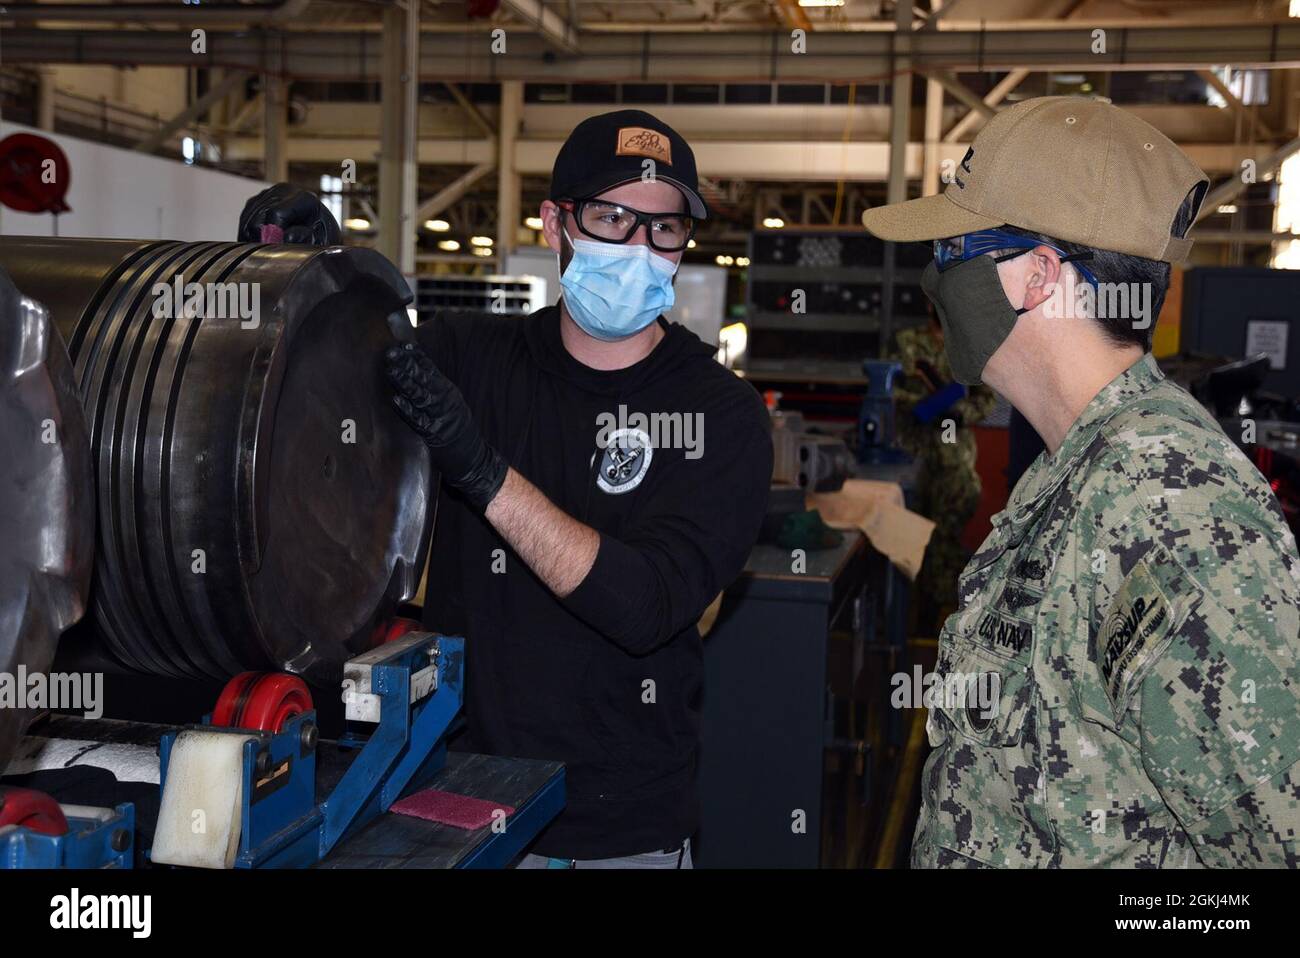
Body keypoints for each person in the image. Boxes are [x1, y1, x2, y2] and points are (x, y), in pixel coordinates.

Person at [242, 109, 773, 867]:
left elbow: (644, 605)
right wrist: (314, 273)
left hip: (615, 833)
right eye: (612, 217)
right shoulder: (467, 357)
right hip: (453, 800)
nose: (639, 248)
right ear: (556, 224)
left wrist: (482, 470)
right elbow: (322, 396)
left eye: (664, 228)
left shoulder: (722, 416)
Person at [862, 96, 1300, 867]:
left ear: (1037, 275)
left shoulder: (1171, 510)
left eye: (957, 248)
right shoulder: (1080, 470)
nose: (937, 276)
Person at [891, 304, 996, 634]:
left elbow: (986, 397)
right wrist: (920, 406)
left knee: (945, 539)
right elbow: (887, 388)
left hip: (954, 460)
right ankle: (904, 617)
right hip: (911, 456)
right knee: (906, 538)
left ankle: (939, 618)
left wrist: (957, 411)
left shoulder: (967, 346)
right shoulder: (906, 342)